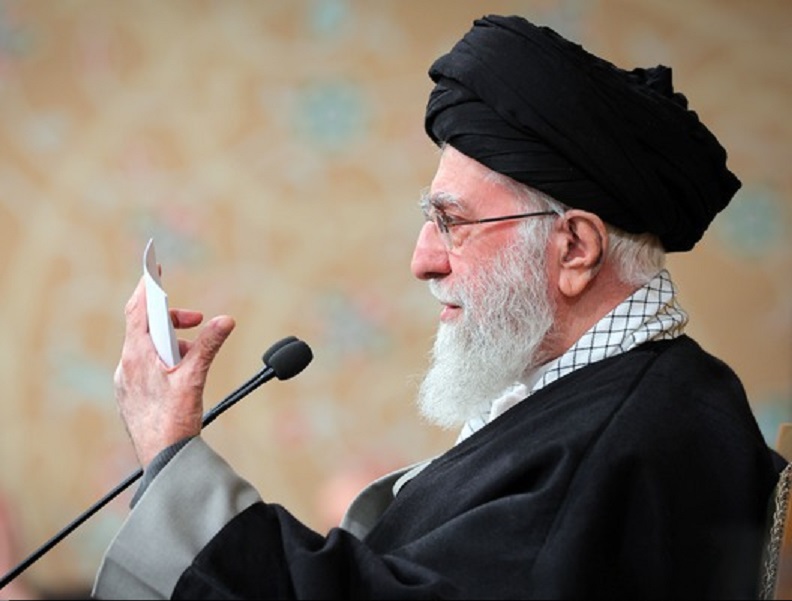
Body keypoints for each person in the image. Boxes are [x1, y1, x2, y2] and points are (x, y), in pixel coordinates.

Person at [91, 14, 782, 600]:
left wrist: (170, 448)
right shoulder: (646, 391)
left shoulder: (625, 443)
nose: (422, 259)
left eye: (452, 222)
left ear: (575, 248)